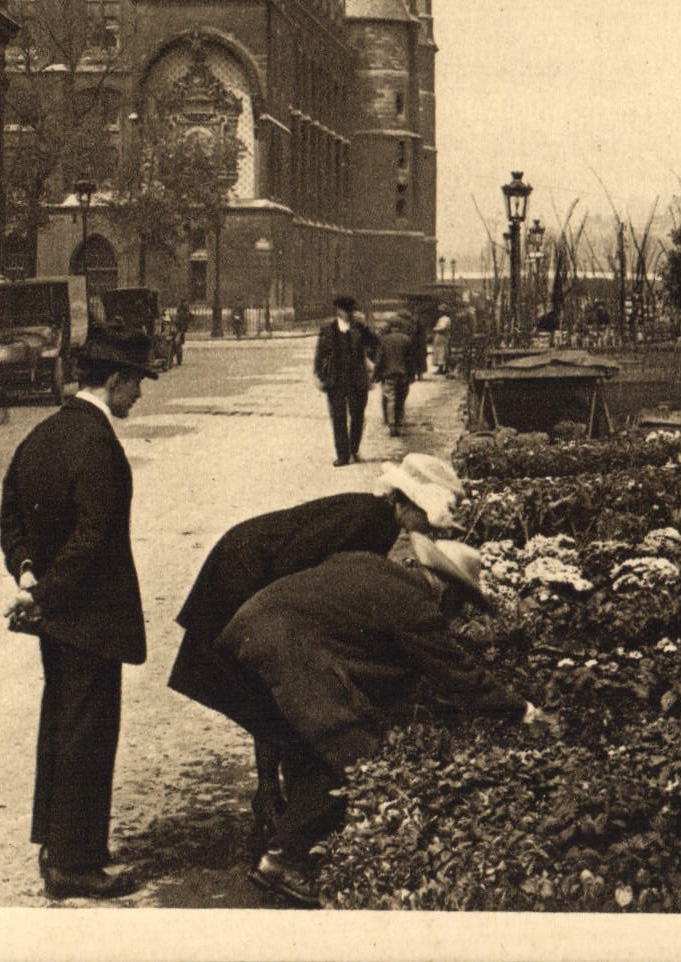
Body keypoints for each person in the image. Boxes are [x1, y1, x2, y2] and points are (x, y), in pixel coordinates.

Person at [220, 533, 558, 906]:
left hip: (244, 628)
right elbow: (456, 673)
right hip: (287, 648)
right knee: (353, 755)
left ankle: (284, 838)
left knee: (306, 744)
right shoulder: (415, 605)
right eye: (461, 602)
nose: (458, 614)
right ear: (447, 591)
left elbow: (348, 634)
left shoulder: (370, 563)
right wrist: (523, 711)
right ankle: (284, 858)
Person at [166, 455, 463, 842]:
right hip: (240, 588)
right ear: (408, 503)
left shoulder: (373, 515)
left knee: (272, 705)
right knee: (277, 703)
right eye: (429, 521)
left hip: (247, 585)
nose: (430, 532)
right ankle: (278, 814)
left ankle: (271, 799)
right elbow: (293, 578)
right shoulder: (369, 520)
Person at [0, 323, 156, 900]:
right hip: (91, 617)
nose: (139, 393)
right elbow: (94, 537)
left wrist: (27, 575)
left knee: (60, 726)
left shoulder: (40, 435)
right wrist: (44, 593)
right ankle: (75, 864)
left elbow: (10, 516)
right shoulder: (98, 444)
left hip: (55, 617)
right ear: (113, 381)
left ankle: (57, 843)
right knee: (89, 735)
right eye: (136, 382)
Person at [313, 294, 380, 466]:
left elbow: (375, 345)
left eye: (350, 310)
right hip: (336, 380)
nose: (348, 314)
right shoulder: (328, 330)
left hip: (357, 379)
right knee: (338, 418)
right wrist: (320, 374)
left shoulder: (360, 329)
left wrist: (366, 328)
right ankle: (342, 455)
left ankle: (354, 449)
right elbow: (320, 354)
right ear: (338, 311)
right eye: (345, 310)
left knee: (358, 415)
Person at [372, 315, 415, 436]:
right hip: (403, 374)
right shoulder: (407, 339)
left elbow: (379, 359)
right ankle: (399, 422)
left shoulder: (384, 340)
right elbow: (410, 360)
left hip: (388, 374)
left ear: (390, 327)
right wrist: (411, 375)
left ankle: (392, 424)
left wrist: (375, 374)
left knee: (391, 398)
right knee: (400, 399)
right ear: (400, 327)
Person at [430, 306, 452, 374]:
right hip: (439, 337)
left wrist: (435, 329)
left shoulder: (446, 319)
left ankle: (442, 368)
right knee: (439, 351)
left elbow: (443, 327)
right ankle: (440, 368)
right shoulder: (441, 319)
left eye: (441, 311)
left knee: (442, 352)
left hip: (443, 336)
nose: (440, 312)